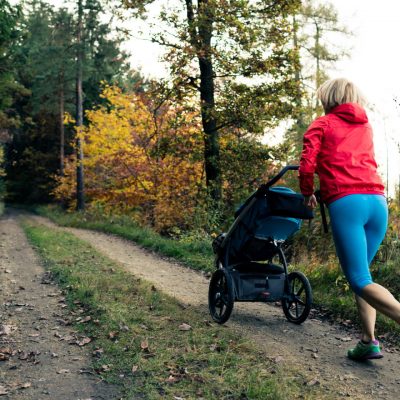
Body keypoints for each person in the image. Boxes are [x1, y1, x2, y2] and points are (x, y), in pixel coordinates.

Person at [299, 77, 400, 361]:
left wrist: (308, 192)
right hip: (378, 202)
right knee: (363, 275)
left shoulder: (322, 124)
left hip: (347, 202)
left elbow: (307, 164)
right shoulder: (365, 126)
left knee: (358, 278)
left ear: (328, 98)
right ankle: (368, 341)